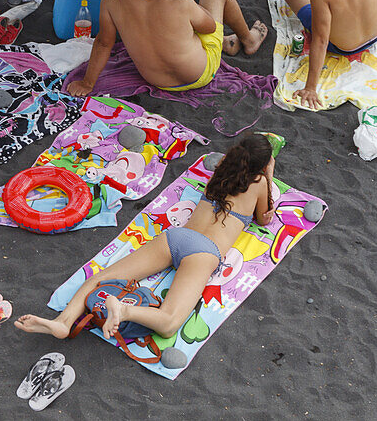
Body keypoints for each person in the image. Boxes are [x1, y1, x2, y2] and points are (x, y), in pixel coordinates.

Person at [14, 133, 276, 339]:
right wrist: (269, 173)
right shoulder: (259, 183)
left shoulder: (221, 169)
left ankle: (63, 322)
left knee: (102, 277)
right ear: (260, 166)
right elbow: (264, 218)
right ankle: (125, 309)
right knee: (170, 322)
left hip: (176, 237)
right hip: (203, 252)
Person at [64, 0, 269, 96]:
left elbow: (103, 43)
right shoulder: (180, 2)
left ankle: (227, 42)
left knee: (181, 26)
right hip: (199, 74)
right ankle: (249, 39)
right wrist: (192, 8)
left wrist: (87, 83)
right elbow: (209, 27)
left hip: (157, 80)